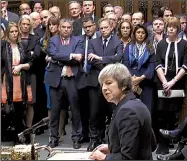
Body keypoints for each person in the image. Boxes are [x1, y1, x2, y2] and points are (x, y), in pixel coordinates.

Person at [89, 63, 153, 160]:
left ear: (123, 85)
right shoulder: (137, 104)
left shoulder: (127, 111)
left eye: (109, 83)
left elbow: (127, 158)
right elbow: (151, 145)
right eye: (102, 84)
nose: (104, 88)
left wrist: (103, 157)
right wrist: (112, 147)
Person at [45, 18, 84, 149]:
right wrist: (71, 56)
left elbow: (78, 59)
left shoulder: (78, 40)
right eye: (63, 27)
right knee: (54, 111)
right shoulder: (53, 40)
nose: (66, 29)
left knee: (75, 110)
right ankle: (54, 138)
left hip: (72, 79)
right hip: (56, 79)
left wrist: (58, 58)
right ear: (59, 28)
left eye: (68, 27)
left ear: (71, 29)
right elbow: (54, 54)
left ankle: (76, 138)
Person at [86, 18, 123, 151]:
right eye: (101, 28)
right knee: (95, 112)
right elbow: (90, 60)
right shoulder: (92, 42)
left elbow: (118, 58)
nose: (103, 30)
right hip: (95, 82)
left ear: (111, 28)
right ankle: (95, 139)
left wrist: (100, 58)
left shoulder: (117, 42)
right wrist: (106, 63)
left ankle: (111, 141)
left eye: (106, 28)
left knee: (112, 112)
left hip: (112, 83)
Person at [155, 17, 187, 155]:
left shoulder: (184, 44)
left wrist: (172, 81)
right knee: (162, 113)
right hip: (162, 81)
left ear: (178, 29)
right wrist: (164, 82)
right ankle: (162, 144)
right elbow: (157, 64)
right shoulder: (161, 44)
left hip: (178, 81)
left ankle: (174, 140)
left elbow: (186, 65)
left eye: (174, 27)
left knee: (174, 113)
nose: (171, 29)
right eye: (169, 26)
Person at [1, 22, 34, 144]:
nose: (14, 34)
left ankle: (19, 137)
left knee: (20, 109)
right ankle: (21, 134)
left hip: (21, 80)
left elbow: (31, 62)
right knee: (10, 110)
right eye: (12, 31)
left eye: (16, 31)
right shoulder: (3, 45)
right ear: (7, 33)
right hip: (8, 80)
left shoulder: (23, 45)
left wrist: (21, 66)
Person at [123, 24, 155, 112]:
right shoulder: (129, 46)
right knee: (131, 107)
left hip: (146, 80)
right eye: (138, 32)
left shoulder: (150, 46)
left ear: (146, 35)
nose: (140, 34)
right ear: (134, 34)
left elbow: (152, 64)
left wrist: (142, 78)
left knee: (146, 107)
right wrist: (132, 79)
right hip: (132, 80)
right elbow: (125, 64)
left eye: (143, 33)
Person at [18, 15, 41, 130]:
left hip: (31, 73)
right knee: (18, 101)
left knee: (31, 102)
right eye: (24, 24)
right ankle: (19, 128)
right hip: (16, 74)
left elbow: (36, 55)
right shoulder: (15, 37)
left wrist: (24, 56)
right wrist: (29, 54)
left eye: (28, 24)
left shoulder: (35, 38)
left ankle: (29, 129)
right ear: (20, 25)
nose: (26, 26)